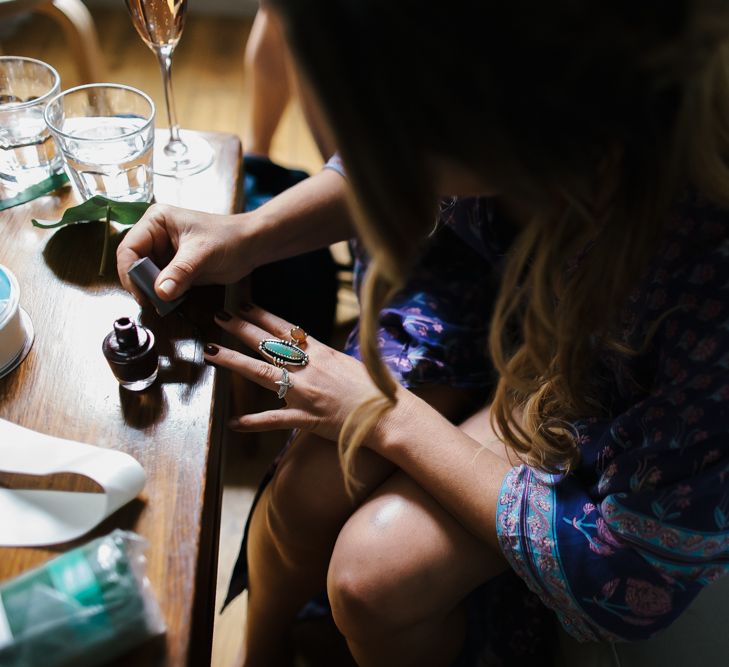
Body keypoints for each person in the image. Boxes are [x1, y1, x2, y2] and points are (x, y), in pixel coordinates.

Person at [117, 1, 729, 665]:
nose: (370, 154)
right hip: (475, 281)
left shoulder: (704, 264)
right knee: (305, 493)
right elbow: (418, 163)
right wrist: (245, 235)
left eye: (388, 135)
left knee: (371, 575)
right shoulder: (506, 98)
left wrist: (386, 414)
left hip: (601, 391)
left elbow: (628, 576)